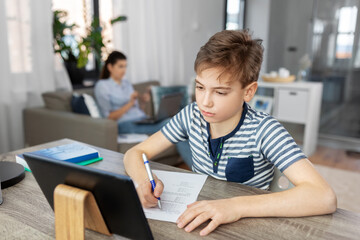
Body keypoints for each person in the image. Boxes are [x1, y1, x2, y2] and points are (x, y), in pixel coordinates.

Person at [123, 30, 337, 236]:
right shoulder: (190, 116)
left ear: (249, 91)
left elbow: (324, 196)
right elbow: (135, 152)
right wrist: (144, 182)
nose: (205, 101)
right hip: (201, 219)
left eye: (220, 92)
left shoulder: (264, 130)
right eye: (200, 87)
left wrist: (235, 206)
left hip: (248, 228)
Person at [94, 51, 167, 134]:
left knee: (171, 121)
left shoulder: (127, 83)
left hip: (141, 119)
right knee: (168, 124)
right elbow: (109, 117)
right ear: (110, 67)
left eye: (125, 66)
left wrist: (143, 101)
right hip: (125, 124)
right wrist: (130, 103)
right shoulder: (102, 86)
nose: (124, 70)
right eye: (120, 66)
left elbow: (137, 110)